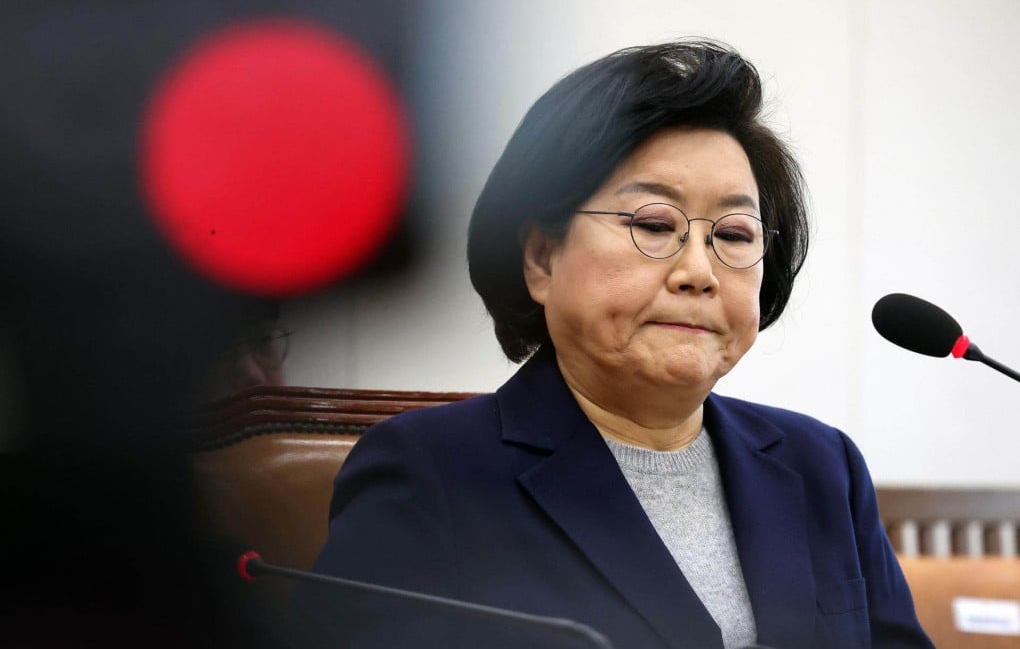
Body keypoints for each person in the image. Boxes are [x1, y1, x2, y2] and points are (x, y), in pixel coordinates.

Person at [297, 41, 933, 649]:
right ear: (542, 259)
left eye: (734, 235)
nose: (699, 271)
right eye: (654, 224)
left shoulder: (822, 465)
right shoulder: (431, 473)